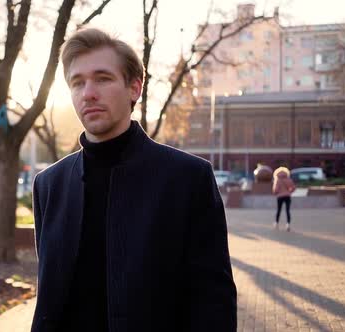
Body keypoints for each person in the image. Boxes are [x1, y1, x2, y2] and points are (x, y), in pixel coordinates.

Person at [31, 27, 237, 332]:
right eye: (77, 82)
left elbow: (213, 304)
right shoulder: (49, 185)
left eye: (103, 78)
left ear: (134, 88)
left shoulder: (188, 178)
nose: (88, 92)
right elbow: (50, 298)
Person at [272, 167, 296, 231]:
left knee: (279, 210)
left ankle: (276, 223)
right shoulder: (288, 179)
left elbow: (275, 190)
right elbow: (293, 187)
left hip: (280, 197)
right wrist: (289, 192)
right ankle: (288, 224)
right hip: (287, 196)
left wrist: (276, 193)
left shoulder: (277, 180)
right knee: (287, 210)